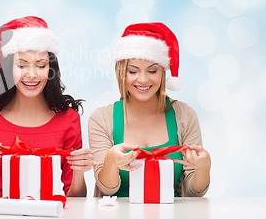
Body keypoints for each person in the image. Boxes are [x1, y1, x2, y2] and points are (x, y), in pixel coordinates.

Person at [0, 16, 93, 198]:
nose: (32, 74)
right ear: (8, 68)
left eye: (41, 65)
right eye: (22, 65)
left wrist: (80, 171)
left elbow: (76, 199)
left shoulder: (68, 118)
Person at [88, 22, 211, 197]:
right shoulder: (101, 118)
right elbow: (108, 188)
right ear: (122, 73)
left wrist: (203, 167)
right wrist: (111, 161)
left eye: (152, 71)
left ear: (162, 72)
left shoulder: (184, 115)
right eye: (133, 71)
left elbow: (194, 191)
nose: (143, 79)